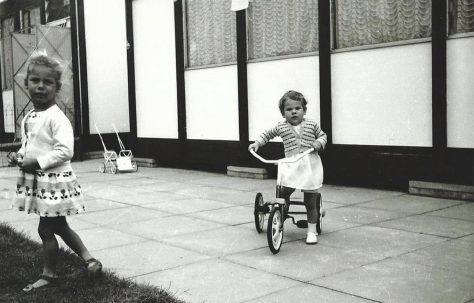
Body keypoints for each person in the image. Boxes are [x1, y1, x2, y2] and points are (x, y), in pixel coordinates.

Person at [8, 53, 102, 292]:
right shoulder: (30, 115)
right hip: (42, 180)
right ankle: (90, 260)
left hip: (54, 181)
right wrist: (20, 155)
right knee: (59, 226)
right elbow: (29, 143)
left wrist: (37, 162)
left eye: (47, 82)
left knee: (46, 228)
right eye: (35, 80)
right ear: (26, 83)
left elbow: (65, 150)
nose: (40, 86)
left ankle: (49, 275)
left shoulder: (57, 117)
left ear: (57, 87)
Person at [249, 90, 327, 244]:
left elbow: (323, 135)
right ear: (283, 113)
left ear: (304, 110)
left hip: (309, 165)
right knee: (283, 193)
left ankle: (311, 231)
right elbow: (267, 134)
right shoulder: (281, 126)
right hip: (291, 165)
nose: (294, 112)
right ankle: (281, 216)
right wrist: (257, 143)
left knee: (310, 201)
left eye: (297, 108)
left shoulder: (311, 124)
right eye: (289, 109)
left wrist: (319, 143)